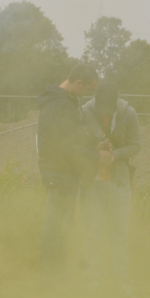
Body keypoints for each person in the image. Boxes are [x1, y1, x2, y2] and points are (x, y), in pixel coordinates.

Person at [36, 63, 104, 282]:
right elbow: (64, 145)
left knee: (62, 226)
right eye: (88, 89)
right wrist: (97, 158)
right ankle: (49, 281)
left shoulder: (66, 102)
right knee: (56, 227)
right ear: (78, 83)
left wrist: (95, 145)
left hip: (64, 173)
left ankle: (56, 277)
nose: (88, 94)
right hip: (59, 173)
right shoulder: (61, 105)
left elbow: (73, 137)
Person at [79, 82, 141, 285]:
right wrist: (96, 152)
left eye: (110, 107)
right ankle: (92, 281)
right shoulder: (84, 113)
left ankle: (122, 282)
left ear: (116, 102)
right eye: (103, 106)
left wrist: (116, 154)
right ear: (95, 98)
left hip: (119, 183)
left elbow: (136, 145)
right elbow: (77, 146)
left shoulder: (128, 113)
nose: (107, 111)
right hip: (92, 183)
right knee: (92, 232)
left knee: (119, 233)